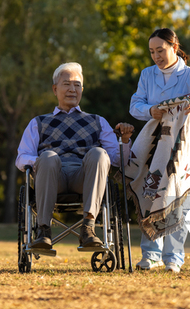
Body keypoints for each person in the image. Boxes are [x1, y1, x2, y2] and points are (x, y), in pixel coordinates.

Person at [128, 28, 190, 273]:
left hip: (182, 148)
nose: (156, 56)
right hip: (154, 145)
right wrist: (150, 111)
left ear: (174, 46)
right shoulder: (147, 75)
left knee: (179, 199)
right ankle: (150, 255)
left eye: (160, 50)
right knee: (151, 195)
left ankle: (174, 258)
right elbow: (135, 104)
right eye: (151, 52)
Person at [15, 62, 134, 250]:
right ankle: (43, 229)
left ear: (82, 90)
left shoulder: (98, 121)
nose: (72, 89)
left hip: (84, 176)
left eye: (77, 85)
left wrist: (125, 140)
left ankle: (88, 228)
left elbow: (119, 160)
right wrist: (43, 161)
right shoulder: (38, 122)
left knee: (99, 153)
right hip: (53, 177)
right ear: (55, 89)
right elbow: (22, 158)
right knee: (48, 157)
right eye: (66, 84)